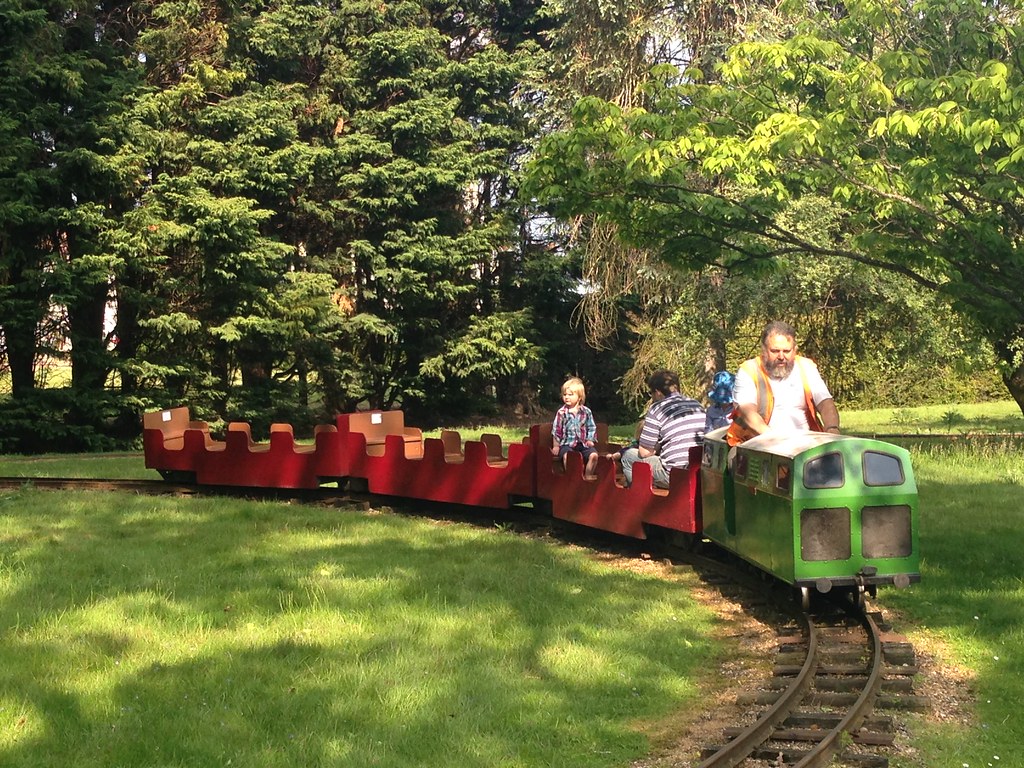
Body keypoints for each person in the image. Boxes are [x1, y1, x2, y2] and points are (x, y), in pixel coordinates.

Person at [726, 320, 841, 446]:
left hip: (805, 444)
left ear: (794, 350)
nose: (781, 356)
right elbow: (747, 412)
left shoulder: (807, 367)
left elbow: (825, 403)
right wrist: (773, 439)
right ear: (764, 350)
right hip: (756, 445)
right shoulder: (748, 370)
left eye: (786, 351)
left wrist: (832, 430)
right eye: (775, 351)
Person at [620, 370, 706, 489]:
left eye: (652, 393)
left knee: (628, 456)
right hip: (698, 473)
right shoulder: (696, 405)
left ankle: (638, 497)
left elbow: (644, 452)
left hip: (673, 475)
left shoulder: (657, 409)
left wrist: (657, 447)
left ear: (658, 392)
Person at [551, 376, 599, 477]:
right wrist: (556, 446)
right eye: (564, 395)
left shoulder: (586, 412)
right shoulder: (562, 413)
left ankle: (588, 476)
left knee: (594, 455)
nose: (566, 397)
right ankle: (572, 477)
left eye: (570, 395)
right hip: (567, 445)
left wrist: (590, 439)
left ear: (579, 397)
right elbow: (556, 430)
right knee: (567, 457)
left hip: (583, 444)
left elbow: (591, 427)